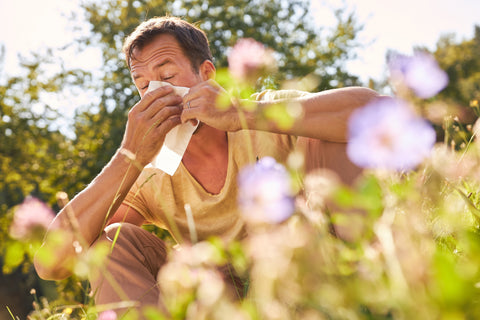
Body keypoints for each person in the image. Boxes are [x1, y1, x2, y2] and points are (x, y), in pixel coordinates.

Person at [34, 16, 379, 317]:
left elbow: (378, 113)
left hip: (305, 271)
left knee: (334, 134)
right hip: (218, 300)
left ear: (206, 73)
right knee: (110, 240)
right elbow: (52, 263)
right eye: (143, 87)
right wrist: (131, 154)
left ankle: (374, 292)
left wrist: (238, 113)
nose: (157, 92)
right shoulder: (151, 173)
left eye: (168, 74)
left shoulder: (260, 114)